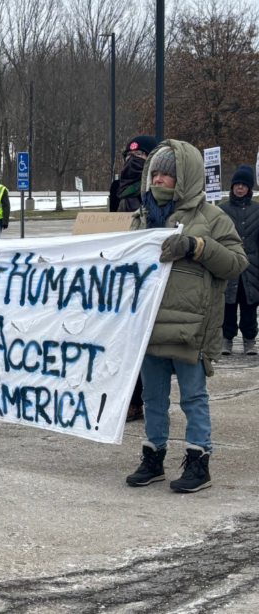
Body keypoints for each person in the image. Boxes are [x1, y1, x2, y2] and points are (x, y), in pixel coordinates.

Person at [124, 140, 247, 493]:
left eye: (166, 174)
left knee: (193, 398)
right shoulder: (141, 218)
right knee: (153, 398)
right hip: (150, 327)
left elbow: (237, 263)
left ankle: (198, 460)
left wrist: (198, 247)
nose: (158, 180)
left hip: (192, 330)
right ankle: (153, 456)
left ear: (185, 178)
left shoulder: (212, 217)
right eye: (155, 173)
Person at [107, 135, 158, 421]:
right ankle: (131, 400)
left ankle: (147, 400)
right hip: (124, 274)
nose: (131, 162)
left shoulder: (157, 187)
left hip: (150, 274)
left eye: (138, 159)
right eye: (128, 157)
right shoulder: (117, 188)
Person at [219, 166, 259, 355]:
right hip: (228, 264)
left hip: (252, 267)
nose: (240, 188)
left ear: (250, 188)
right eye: (237, 184)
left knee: (249, 305)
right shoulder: (221, 210)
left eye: (244, 185)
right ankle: (226, 339)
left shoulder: (258, 210)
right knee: (228, 304)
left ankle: (249, 340)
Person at [108, 135, 158, 213]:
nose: (132, 158)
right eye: (129, 154)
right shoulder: (116, 186)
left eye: (138, 154)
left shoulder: (156, 183)